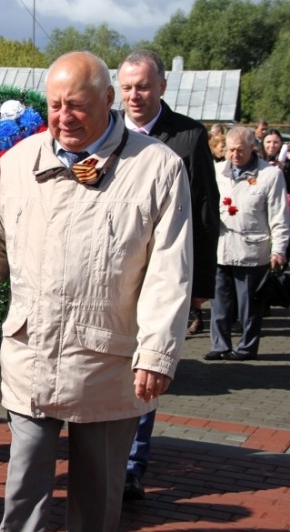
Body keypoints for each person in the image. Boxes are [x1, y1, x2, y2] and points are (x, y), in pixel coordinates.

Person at [0, 51, 192, 532]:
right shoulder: (16, 164)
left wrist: (158, 354)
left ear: (108, 99)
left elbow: (171, 268)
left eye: (77, 105)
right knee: (23, 498)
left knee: (98, 501)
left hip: (109, 360)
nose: (64, 118)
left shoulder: (157, 168)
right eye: (55, 105)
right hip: (30, 357)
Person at [117, 49, 220, 500]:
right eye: (126, 88)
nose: (134, 96)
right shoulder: (108, 133)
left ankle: (131, 467)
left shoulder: (188, 137)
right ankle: (104, 456)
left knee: (146, 366)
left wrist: (199, 287)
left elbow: (205, 214)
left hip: (162, 275)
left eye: (142, 86)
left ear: (161, 87)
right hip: (115, 276)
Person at [205, 126, 289, 362]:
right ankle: (219, 345)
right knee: (219, 303)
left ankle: (246, 347)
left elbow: (279, 216)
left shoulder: (270, 175)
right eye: (230, 150)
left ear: (252, 148)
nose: (234, 155)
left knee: (249, 306)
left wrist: (279, 250)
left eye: (240, 150)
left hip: (253, 250)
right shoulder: (217, 171)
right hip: (221, 248)